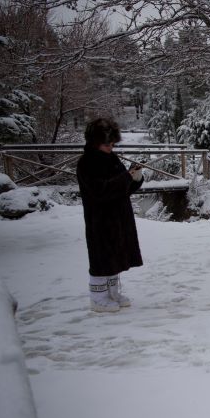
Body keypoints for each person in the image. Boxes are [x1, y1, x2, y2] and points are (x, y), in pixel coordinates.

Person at [77, 118, 144, 312]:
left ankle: (112, 292)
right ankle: (98, 298)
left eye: (112, 144)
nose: (110, 148)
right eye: (107, 144)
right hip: (100, 218)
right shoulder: (86, 163)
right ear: (95, 142)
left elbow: (123, 187)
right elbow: (100, 191)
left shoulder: (112, 158)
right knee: (101, 255)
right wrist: (126, 177)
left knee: (116, 253)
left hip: (119, 216)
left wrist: (136, 179)